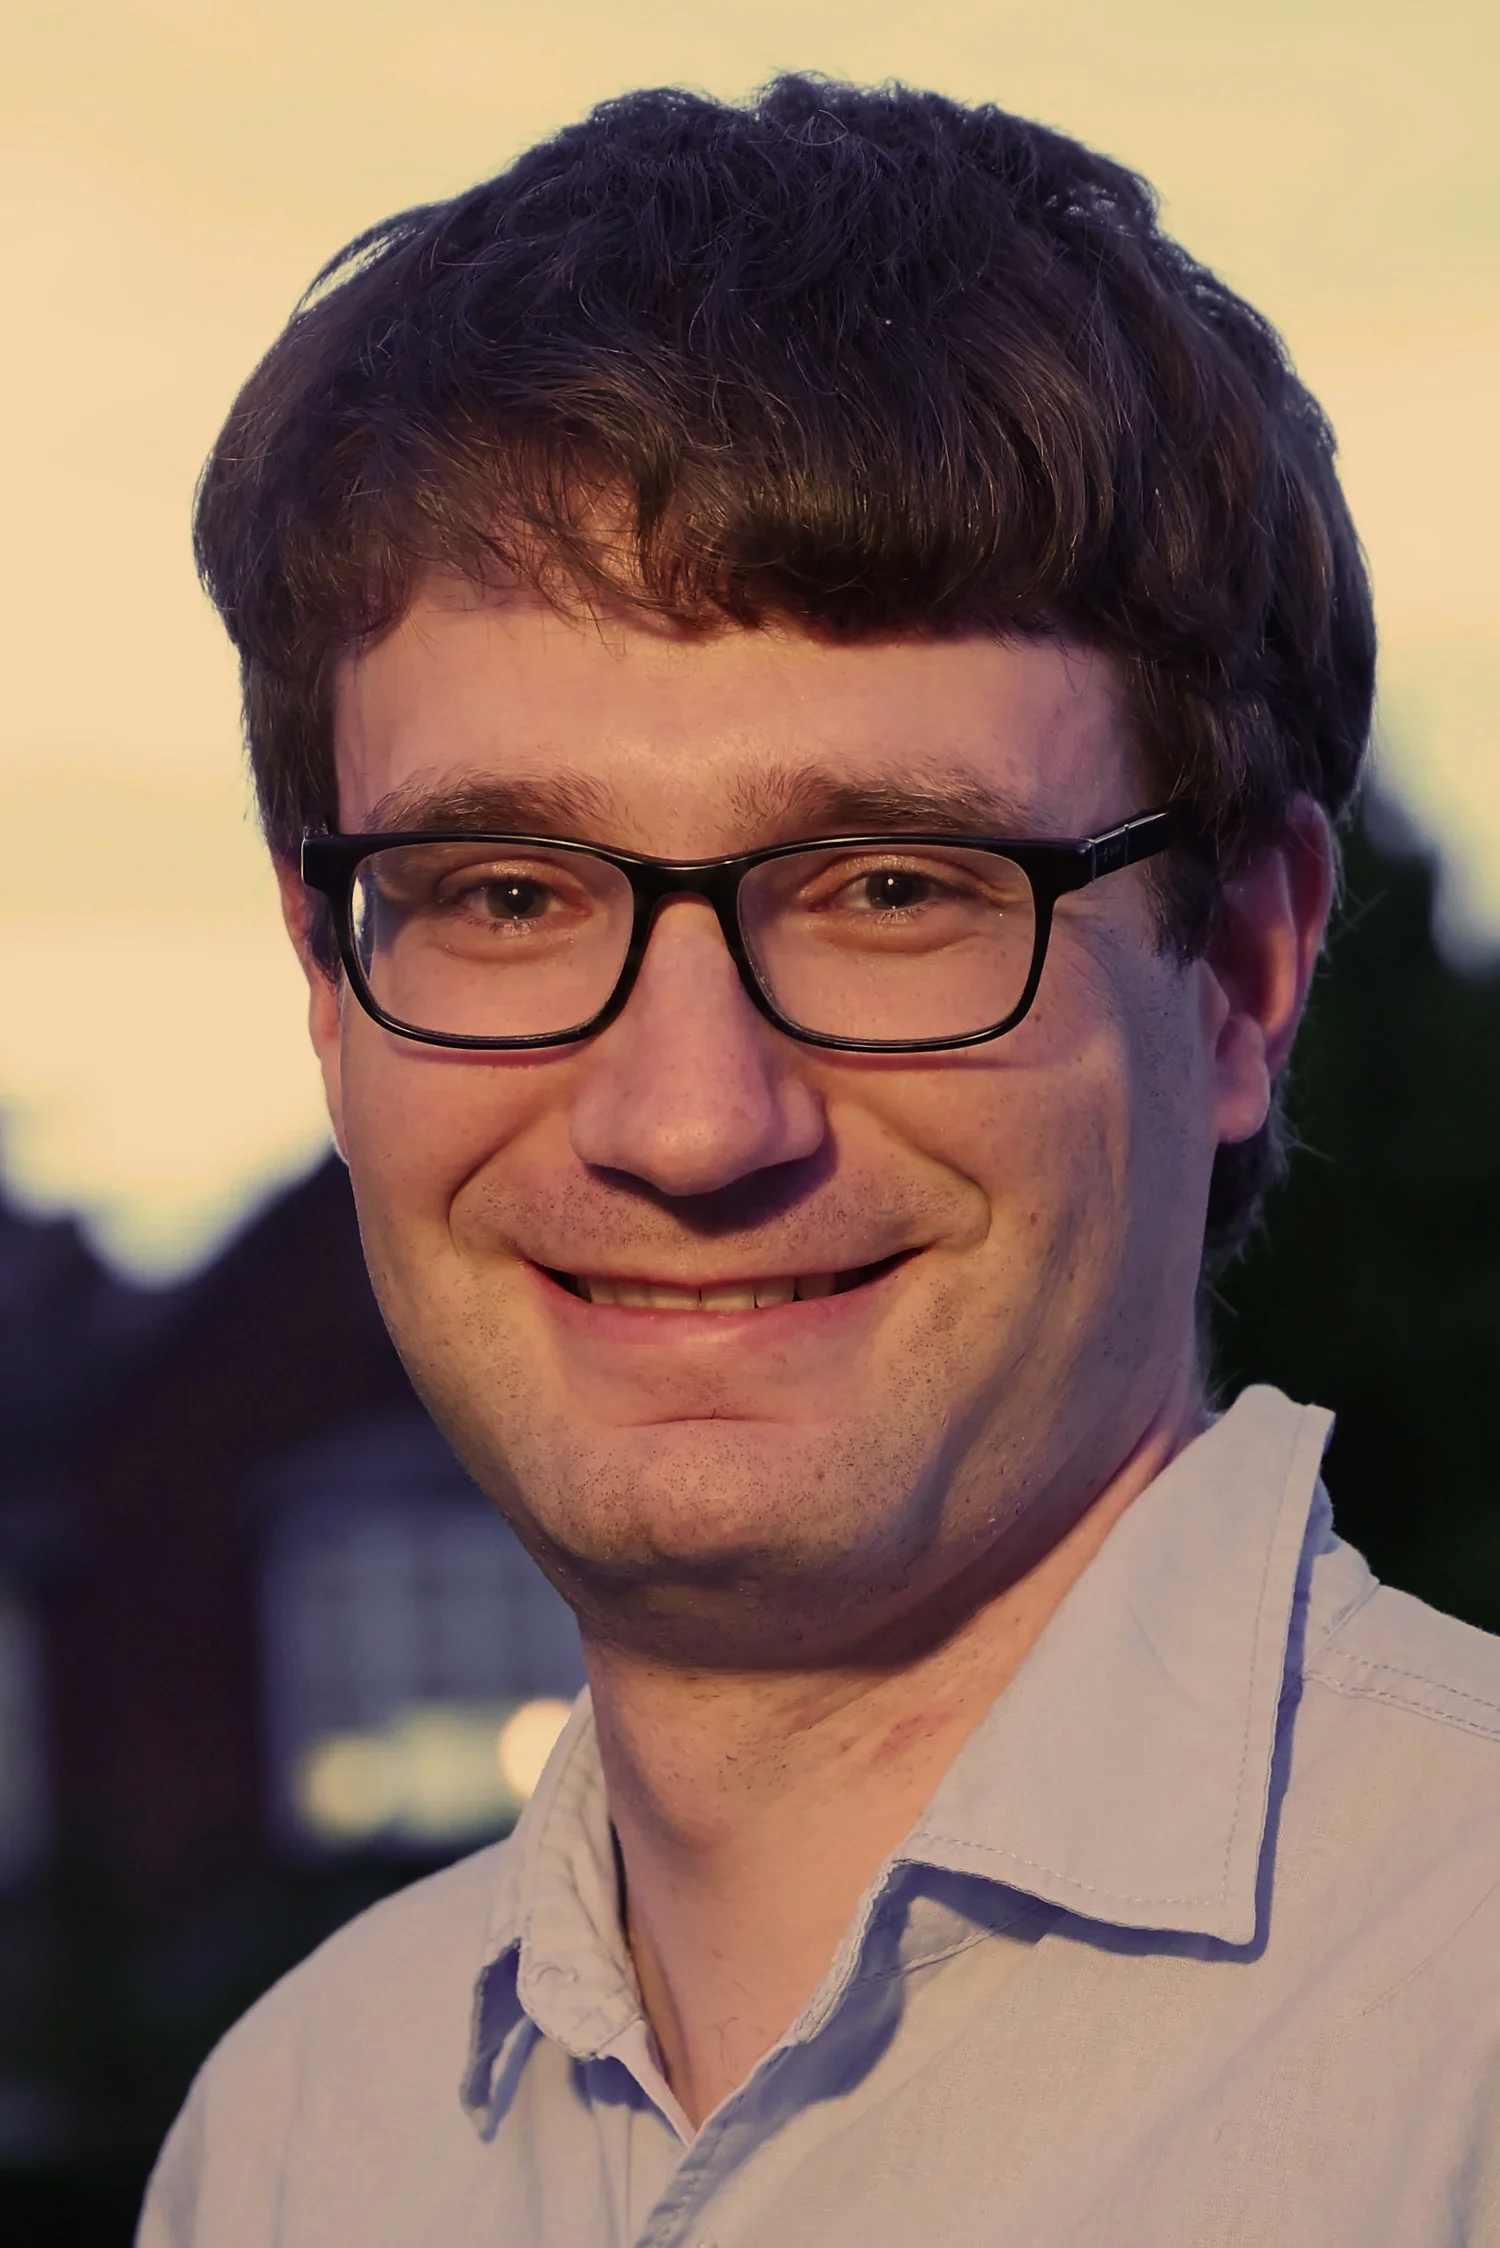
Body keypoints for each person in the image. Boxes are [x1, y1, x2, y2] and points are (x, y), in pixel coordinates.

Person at [139, 76, 1500, 2248]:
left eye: (890, 886)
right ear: (329, 980)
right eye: (507, 892)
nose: (687, 1117)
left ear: (1245, 962)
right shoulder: (296, 2138)